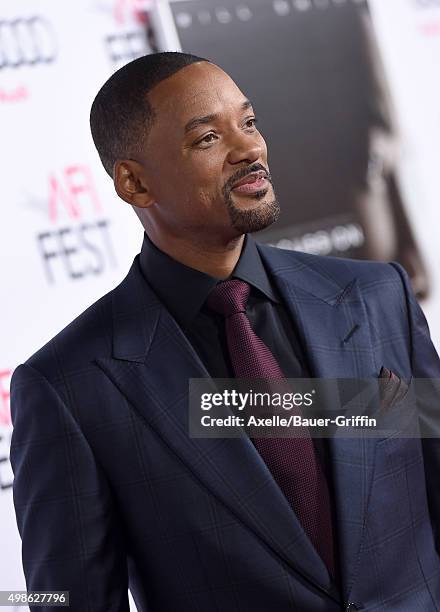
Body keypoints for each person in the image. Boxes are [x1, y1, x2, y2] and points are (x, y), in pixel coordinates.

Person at [9, 52, 440, 612]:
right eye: (208, 138)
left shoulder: (377, 295)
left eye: (250, 122)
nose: (250, 150)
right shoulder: (69, 385)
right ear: (135, 183)